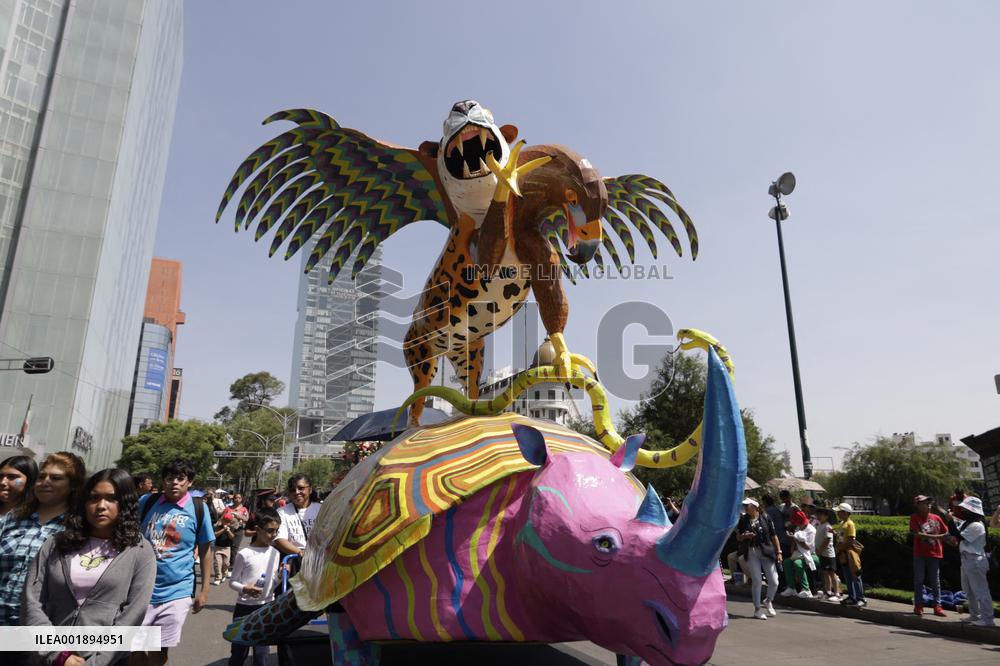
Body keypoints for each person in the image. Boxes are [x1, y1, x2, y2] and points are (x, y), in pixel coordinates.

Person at [22, 469, 156, 666]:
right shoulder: (56, 544)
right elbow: (31, 602)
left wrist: (96, 662)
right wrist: (58, 655)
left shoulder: (140, 551)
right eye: (94, 498)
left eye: (112, 498)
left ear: (126, 503)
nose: (101, 506)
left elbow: (132, 616)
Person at [131, 459, 215, 666]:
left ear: (190, 482)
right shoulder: (146, 502)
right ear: (163, 480)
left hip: (176, 591)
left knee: (158, 652)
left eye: (180, 478)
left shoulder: (198, 508)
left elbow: (205, 549)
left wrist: (204, 590)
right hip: (139, 590)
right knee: (134, 650)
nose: (174, 483)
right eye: (170, 478)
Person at [0, 451, 86, 625]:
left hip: (39, 631)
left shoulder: (79, 528)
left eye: (55, 478)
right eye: (41, 477)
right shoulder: (14, 518)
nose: (45, 482)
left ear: (73, 485)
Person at [227, 509, 282, 666]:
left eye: (276, 531)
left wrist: (280, 576)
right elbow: (232, 582)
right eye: (270, 531)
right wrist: (245, 589)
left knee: (262, 653)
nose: (273, 535)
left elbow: (272, 584)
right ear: (258, 529)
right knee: (239, 651)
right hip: (244, 609)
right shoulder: (245, 554)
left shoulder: (275, 553)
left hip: (266, 608)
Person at [947, 496, 995, 627]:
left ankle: (988, 619)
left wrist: (951, 521)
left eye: (965, 509)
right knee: (969, 590)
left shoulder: (977, 526)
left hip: (975, 559)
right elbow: (956, 534)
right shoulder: (968, 524)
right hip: (967, 559)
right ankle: (975, 615)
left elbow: (958, 534)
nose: (963, 511)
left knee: (980, 590)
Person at [736, 498, 782, 620]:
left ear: (755, 506)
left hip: (766, 551)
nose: (745, 508)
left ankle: (768, 600)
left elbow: (774, 535)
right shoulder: (743, 519)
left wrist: (779, 551)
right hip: (752, 551)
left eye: (747, 505)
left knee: (774, 581)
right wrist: (744, 536)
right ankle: (757, 609)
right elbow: (738, 537)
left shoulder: (765, 517)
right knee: (757, 580)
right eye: (744, 506)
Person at [909, 494, 948, 617]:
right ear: (918, 506)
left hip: (935, 552)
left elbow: (946, 532)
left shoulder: (936, 517)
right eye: (925, 503)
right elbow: (918, 534)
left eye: (929, 503)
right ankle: (918, 606)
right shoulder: (914, 518)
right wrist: (938, 537)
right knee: (919, 580)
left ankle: (937, 606)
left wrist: (948, 538)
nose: (928, 505)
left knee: (935, 581)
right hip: (920, 553)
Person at [273, 475, 321, 560]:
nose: (297, 492)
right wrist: (300, 552)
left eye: (301, 488)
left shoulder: (321, 509)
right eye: (292, 490)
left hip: (319, 558)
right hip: (295, 559)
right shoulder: (282, 512)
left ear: (310, 489)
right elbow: (279, 539)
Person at [835, 503, 866, 606]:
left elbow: (850, 540)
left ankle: (861, 598)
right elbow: (842, 537)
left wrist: (838, 548)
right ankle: (852, 597)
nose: (838, 513)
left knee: (855, 575)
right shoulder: (842, 523)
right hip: (843, 553)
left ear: (845, 512)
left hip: (849, 553)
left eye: (839, 511)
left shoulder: (850, 524)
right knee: (848, 576)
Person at [781, 509, 817, 598]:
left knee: (798, 563)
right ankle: (791, 588)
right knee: (786, 562)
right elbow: (795, 542)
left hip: (811, 555)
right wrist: (793, 541)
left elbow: (808, 547)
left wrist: (795, 538)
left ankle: (806, 589)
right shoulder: (798, 528)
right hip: (798, 554)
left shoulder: (811, 530)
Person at [1, 455, 38, 521]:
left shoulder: (37, 515)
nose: (2, 482)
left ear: (29, 480)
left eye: (12, 477)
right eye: (0, 476)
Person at [815, 507, 841, 601]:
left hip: (828, 554)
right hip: (822, 554)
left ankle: (837, 593)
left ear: (826, 516)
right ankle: (828, 591)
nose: (819, 516)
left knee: (832, 573)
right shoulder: (820, 525)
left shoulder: (827, 526)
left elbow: (827, 539)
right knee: (825, 573)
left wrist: (820, 550)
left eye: (821, 514)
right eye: (818, 514)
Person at [213, 507, 236, 585]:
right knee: (217, 563)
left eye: (228, 522)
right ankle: (217, 577)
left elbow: (232, 537)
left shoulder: (231, 528)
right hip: (217, 547)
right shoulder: (218, 527)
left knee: (226, 563)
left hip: (227, 548)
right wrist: (223, 529)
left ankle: (224, 573)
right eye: (225, 521)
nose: (226, 523)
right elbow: (215, 535)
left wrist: (228, 530)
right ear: (222, 520)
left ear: (231, 522)